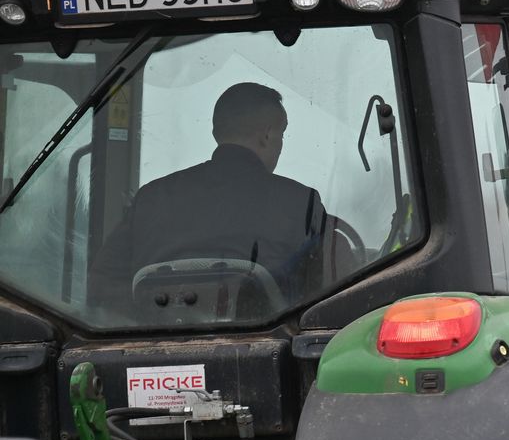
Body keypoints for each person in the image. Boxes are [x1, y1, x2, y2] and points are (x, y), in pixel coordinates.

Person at [93, 82, 337, 305]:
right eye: (281, 135)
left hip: (154, 337)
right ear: (267, 135)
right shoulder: (301, 203)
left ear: (215, 133)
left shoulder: (151, 197)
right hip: (268, 336)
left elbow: (101, 286)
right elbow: (327, 290)